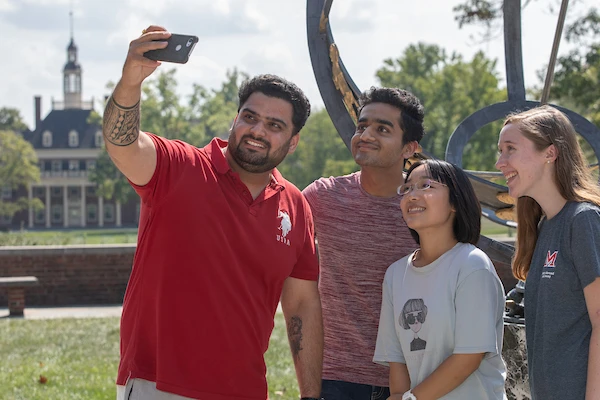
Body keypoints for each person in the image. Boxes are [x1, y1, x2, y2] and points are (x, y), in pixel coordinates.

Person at [103, 26, 323, 400]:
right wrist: (130, 82)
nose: (257, 130)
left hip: (245, 390)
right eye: (249, 117)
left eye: (274, 125)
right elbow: (123, 144)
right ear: (234, 119)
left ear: (293, 140)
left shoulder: (295, 205)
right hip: (158, 386)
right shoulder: (179, 167)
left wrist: (311, 396)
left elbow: (301, 305)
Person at [302, 87, 424, 399]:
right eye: (362, 126)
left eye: (382, 129)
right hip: (336, 378)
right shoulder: (323, 197)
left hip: (415, 378)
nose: (366, 135)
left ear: (409, 148)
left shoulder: (427, 208)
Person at [374, 159, 507, 400]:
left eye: (426, 186)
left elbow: (468, 358)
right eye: (407, 188)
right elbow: (397, 359)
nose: (412, 195)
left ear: (455, 201)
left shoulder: (472, 265)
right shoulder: (395, 274)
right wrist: (401, 396)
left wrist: (411, 399)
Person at [495, 105, 600, 400]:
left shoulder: (583, 220)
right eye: (500, 151)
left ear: (550, 154)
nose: (500, 162)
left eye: (510, 149)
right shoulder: (543, 227)